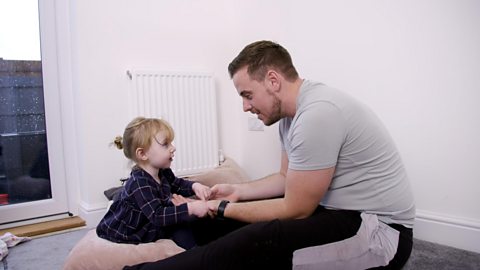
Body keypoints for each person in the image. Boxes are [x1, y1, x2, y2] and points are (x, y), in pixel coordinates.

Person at [124, 41, 415, 270]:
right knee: (227, 223)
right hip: (337, 213)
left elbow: (295, 208)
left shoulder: (318, 114)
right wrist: (236, 191)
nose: (245, 107)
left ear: (273, 80)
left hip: (380, 233)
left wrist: (222, 206)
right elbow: (285, 179)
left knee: (258, 240)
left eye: (247, 95)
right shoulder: (292, 117)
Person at [96, 116, 212, 249]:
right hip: (136, 228)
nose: (173, 148)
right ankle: (196, 254)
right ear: (143, 154)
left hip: (153, 212)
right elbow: (158, 216)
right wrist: (191, 208)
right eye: (166, 144)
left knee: (192, 219)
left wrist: (195, 186)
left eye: (171, 143)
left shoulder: (163, 171)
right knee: (180, 223)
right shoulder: (140, 182)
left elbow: (177, 184)